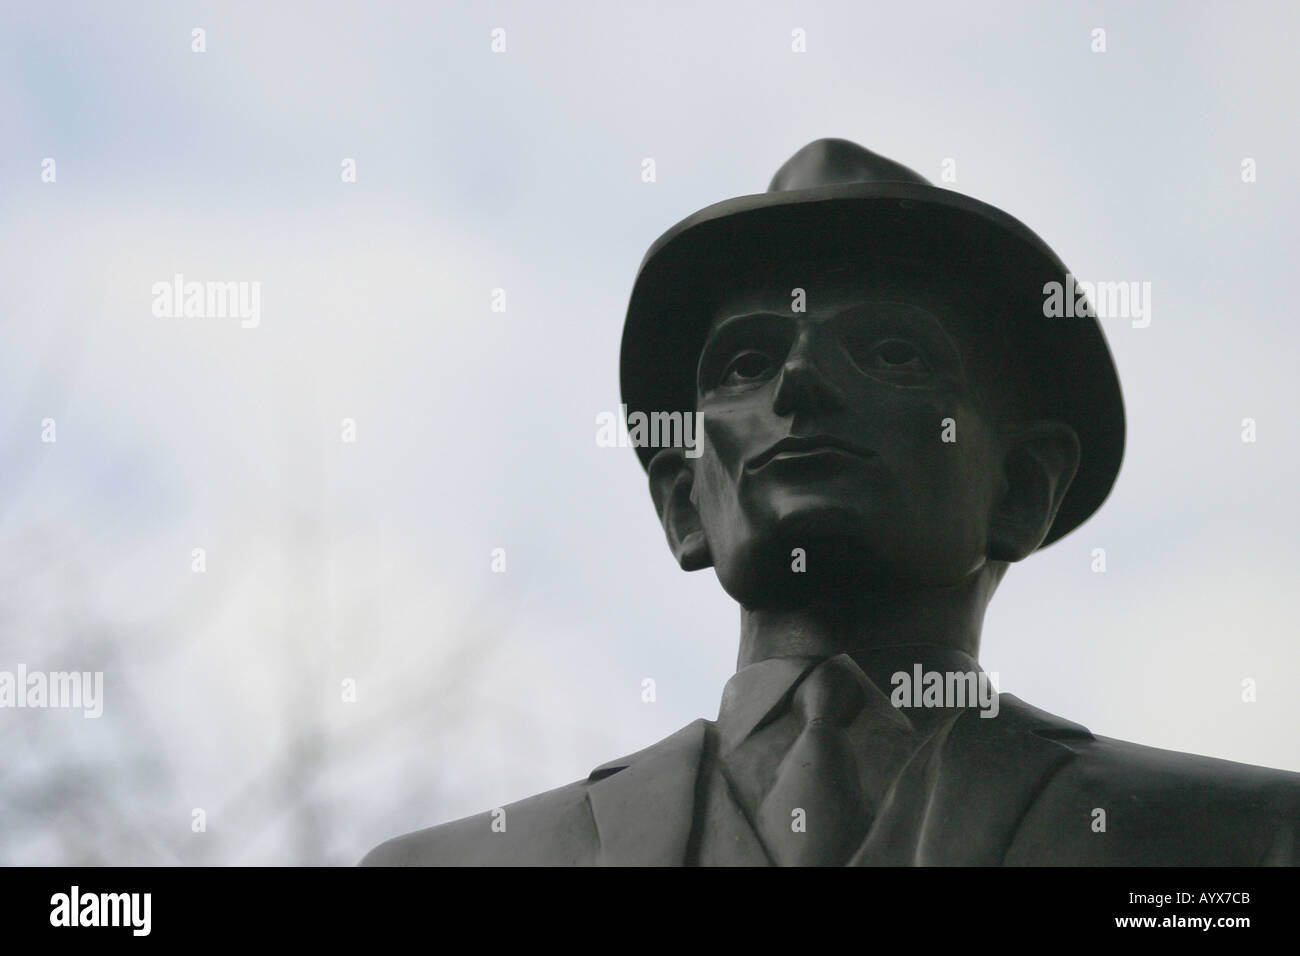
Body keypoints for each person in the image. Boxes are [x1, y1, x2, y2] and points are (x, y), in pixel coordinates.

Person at [362, 139, 1300, 866]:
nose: (800, 382)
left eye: (892, 352)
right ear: (683, 500)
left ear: (1021, 487)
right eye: (744, 362)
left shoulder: (1234, 844)